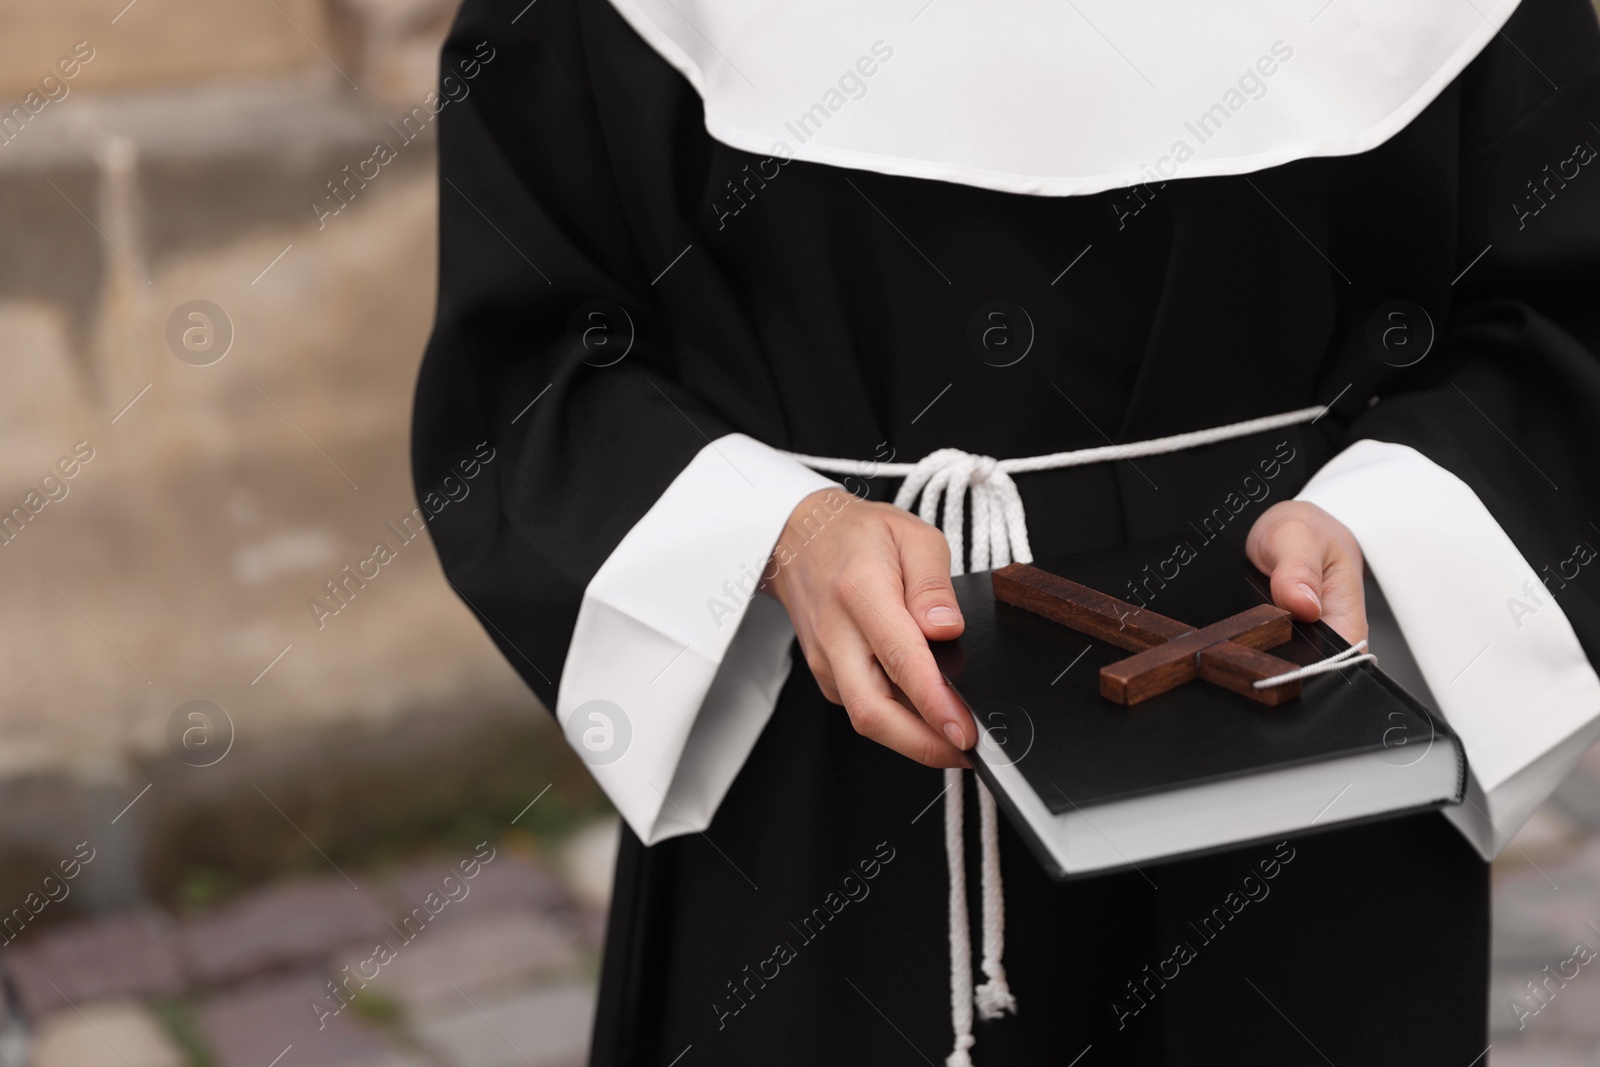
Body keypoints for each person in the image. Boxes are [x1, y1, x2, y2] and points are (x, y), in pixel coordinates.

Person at [412, 0, 1600, 1061]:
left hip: (1300, 712)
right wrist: (777, 531)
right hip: (832, 742)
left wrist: (1385, 519)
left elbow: (1556, 324)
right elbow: (532, 365)